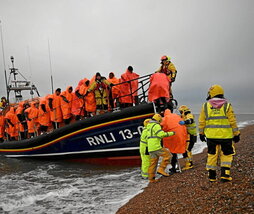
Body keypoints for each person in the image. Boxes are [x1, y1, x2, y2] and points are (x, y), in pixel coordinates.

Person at [199, 84, 240, 182]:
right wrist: (236, 134)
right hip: (226, 136)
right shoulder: (227, 105)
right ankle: (225, 175)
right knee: (226, 154)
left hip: (211, 136)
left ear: (211, 93)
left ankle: (212, 176)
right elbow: (232, 121)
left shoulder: (205, 106)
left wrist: (201, 133)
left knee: (212, 154)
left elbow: (202, 121)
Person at [147, 113, 175, 183]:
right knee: (168, 155)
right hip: (156, 147)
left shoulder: (149, 126)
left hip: (150, 148)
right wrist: (172, 133)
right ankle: (161, 169)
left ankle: (151, 179)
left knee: (153, 163)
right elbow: (161, 134)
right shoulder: (156, 125)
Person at [161, 109, 187, 174]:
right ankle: (187, 163)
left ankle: (173, 168)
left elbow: (162, 127)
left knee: (173, 152)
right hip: (180, 135)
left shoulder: (165, 118)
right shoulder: (176, 116)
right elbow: (183, 124)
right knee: (178, 149)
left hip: (172, 136)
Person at [178, 105, 197, 170]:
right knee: (186, 150)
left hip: (192, 135)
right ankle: (188, 163)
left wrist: (184, 122)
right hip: (188, 136)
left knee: (187, 150)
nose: (180, 112)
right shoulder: (183, 116)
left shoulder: (189, 115)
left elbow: (190, 120)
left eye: (181, 111)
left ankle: (189, 164)